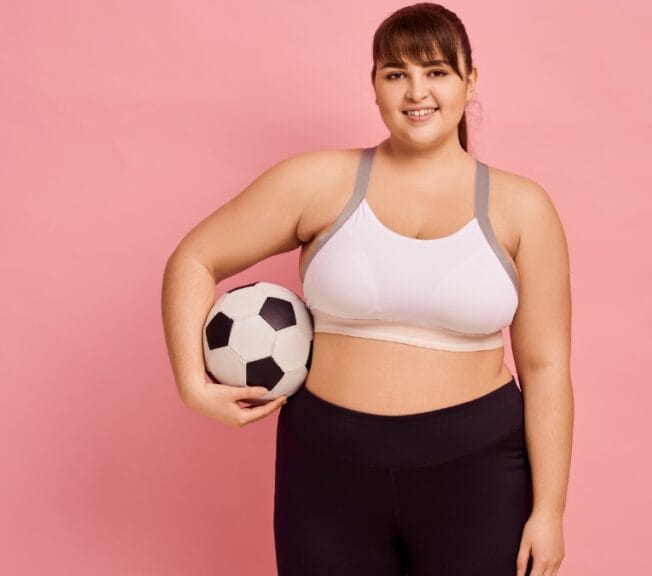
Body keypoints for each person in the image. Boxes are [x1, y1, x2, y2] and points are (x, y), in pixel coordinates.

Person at [161, 3, 572, 575]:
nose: (416, 91)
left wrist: (548, 510)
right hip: (328, 468)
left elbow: (547, 365)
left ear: (470, 80)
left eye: (436, 71)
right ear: (374, 85)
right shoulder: (318, 181)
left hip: (475, 472)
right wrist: (191, 384)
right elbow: (194, 259)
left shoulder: (523, 207)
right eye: (395, 73)